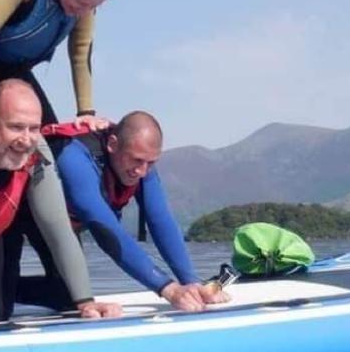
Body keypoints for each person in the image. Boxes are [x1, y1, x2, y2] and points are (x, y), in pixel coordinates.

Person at [0, 79, 124, 326]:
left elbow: (58, 229)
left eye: (34, 128)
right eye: (16, 127)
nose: (27, 139)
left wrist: (86, 301)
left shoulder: (36, 149)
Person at [13, 111, 231, 314]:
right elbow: (106, 230)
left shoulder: (142, 167)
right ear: (112, 144)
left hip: (56, 230)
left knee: (66, 297)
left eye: (151, 162)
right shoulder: (74, 158)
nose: (142, 171)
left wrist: (191, 282)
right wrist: (168, 289)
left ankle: (9, 288)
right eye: (136, 160)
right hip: (11, 223)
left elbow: (160, 220)